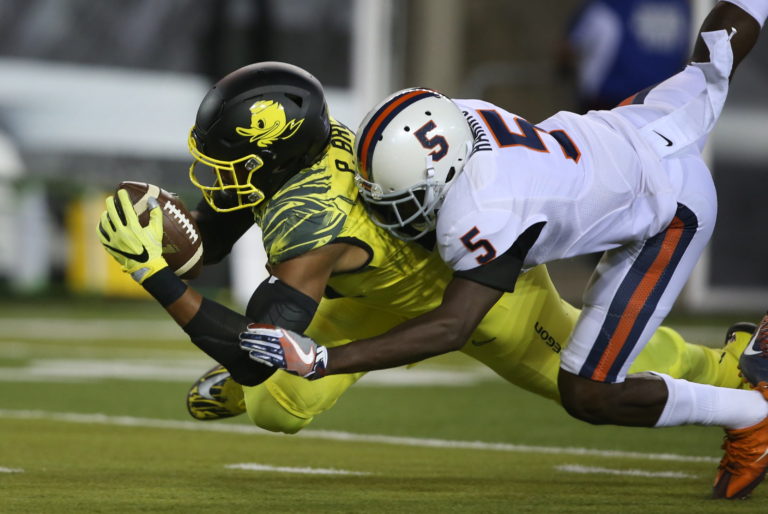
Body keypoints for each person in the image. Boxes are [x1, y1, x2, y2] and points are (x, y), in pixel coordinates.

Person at [240, 1, 768, 500]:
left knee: (588, 390)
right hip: (632, 127)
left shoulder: (483, 209)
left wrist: (325, 360)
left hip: (669, 212)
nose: (385, 212)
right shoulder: (454, 118)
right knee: (715, 57)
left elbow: (453, 327)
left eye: (399, 201)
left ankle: (749, 415)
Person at [98, 62, 746, 440]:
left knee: (582, 374)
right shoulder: (301, 155)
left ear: (272, 157)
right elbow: (215, 236)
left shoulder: (309, 225)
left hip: (470, 289)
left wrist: (152, 272)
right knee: (277, 406)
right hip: (376, 290)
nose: (214, 176)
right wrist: (167, 230)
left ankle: (727, 366)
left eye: (227, 162)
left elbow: (250, 356)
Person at [558, 0, 691, 112]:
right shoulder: (681, 5)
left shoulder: (612, 4)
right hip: (663, 103)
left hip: (610, 101)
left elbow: (569, 47)